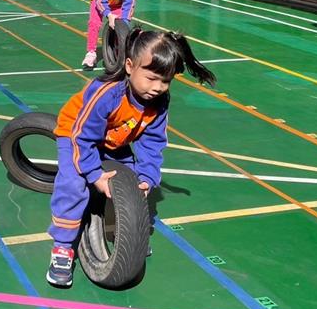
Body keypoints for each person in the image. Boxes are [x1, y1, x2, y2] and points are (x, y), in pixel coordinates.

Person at [46, 28, 216, 288]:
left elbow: (153, 142)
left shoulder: (159, 101)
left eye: (166, 81)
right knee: (73, 185)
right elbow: (83, 138)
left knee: (133, 183)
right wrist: (94, 174)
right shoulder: (108, 93)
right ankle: (63, 246)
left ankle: (129, 237)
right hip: (76, 134)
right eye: (151, 78)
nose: (157, 87)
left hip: (113, 140)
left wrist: (147, 176)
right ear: (129, 66)